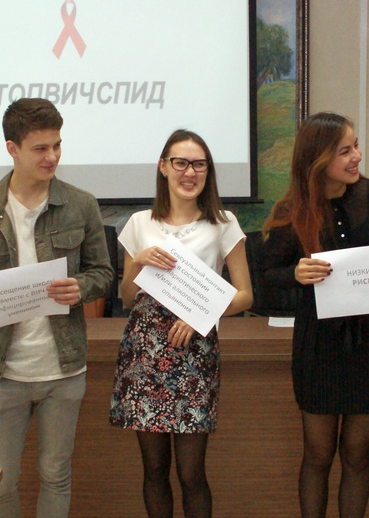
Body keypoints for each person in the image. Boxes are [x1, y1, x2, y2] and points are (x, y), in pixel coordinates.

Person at [0, 97, 113, 518]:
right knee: (0, 480)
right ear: (12, 148)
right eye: (40, 148)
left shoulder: (81, 204)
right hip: (4, 369)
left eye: (57, 145)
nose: (51, 156)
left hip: (64, 368)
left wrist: (81, 287)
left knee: (56, 473)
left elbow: (103, 272)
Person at [258, 112, 369, 518]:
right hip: (321, 345)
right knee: (318, 455)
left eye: (356, 146)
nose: (357, 156)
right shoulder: (292, 209)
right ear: (317, 159)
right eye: (345, 151)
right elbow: (266, 276)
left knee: (358, 454)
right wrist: (296, 273)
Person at [109, 129, 253, 518]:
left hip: (194, 353)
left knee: (192, 474)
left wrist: (202, 313)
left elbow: (245, 295)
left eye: (199, 164)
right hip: (145, 354)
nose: (190, 172)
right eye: (181, 163)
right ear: (163, 167)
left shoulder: (223, 223)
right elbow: (127, 298)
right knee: (154, 471)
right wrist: (138, 263)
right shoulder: (139, 223)